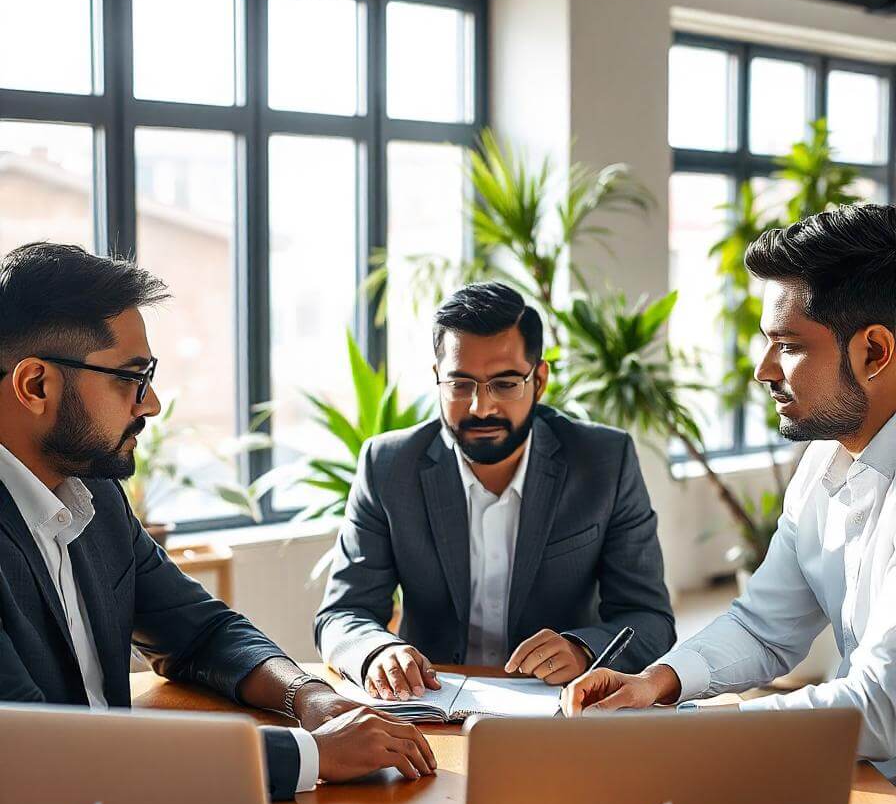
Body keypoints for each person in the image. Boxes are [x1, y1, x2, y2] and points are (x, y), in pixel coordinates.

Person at [0, 242, 435, 799]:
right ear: (35, 385)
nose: (151, 403)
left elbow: (200, 632)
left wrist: (308, 698)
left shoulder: (94, 496)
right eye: (130, 378)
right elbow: (32, 754)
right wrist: (313, 753)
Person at [562, 204, 896, 766]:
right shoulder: (822, 464)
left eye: (789, 346)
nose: (763, 370)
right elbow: (765, 628)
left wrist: (697, 728)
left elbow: (882, 706)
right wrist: (658, 683)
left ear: (874, 352)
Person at [315, 281, 675, 701]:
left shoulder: (604, 461)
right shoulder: (389, 466)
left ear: (538, 380)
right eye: (460, 384)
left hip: (560, 711)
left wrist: (583, 649)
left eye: (505, 384)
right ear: (437, 378)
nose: (480, 407)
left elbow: (649, 619)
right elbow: (342, 613)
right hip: (428, 708)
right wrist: (378, 651)